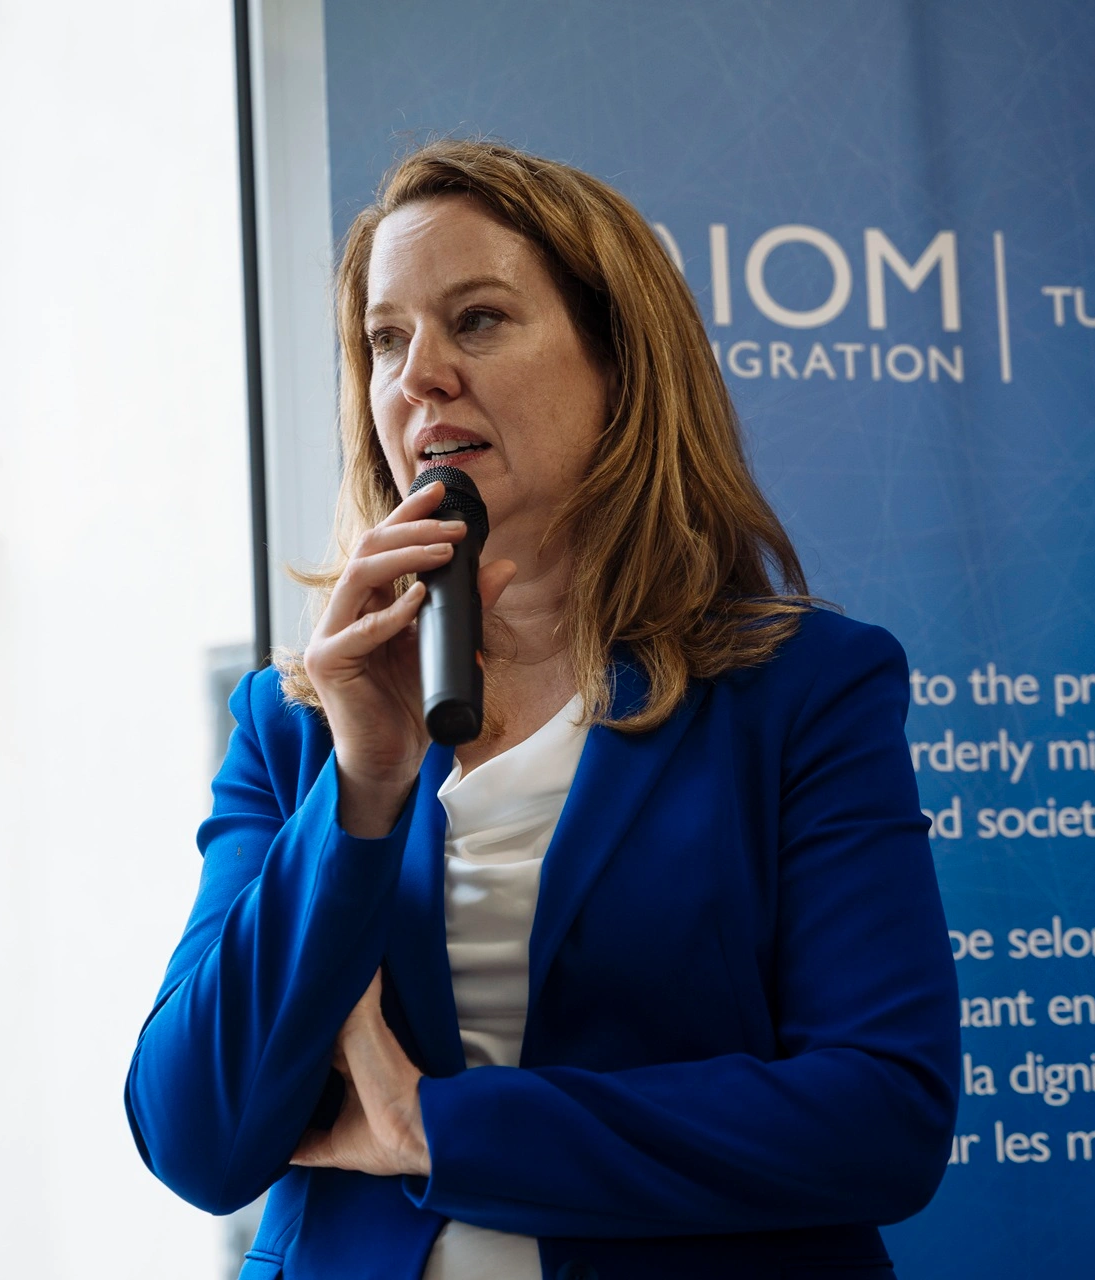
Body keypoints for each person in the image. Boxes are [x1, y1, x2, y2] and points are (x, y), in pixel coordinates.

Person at [124, 139, 959, 1280]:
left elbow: (881, 1114)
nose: (420, 376)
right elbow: (196, 1140)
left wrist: (436, 1129)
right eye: (385, 340)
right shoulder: (298, 719)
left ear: (620, 364)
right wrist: (363, 786)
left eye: (476, 320)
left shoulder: (803, 688)